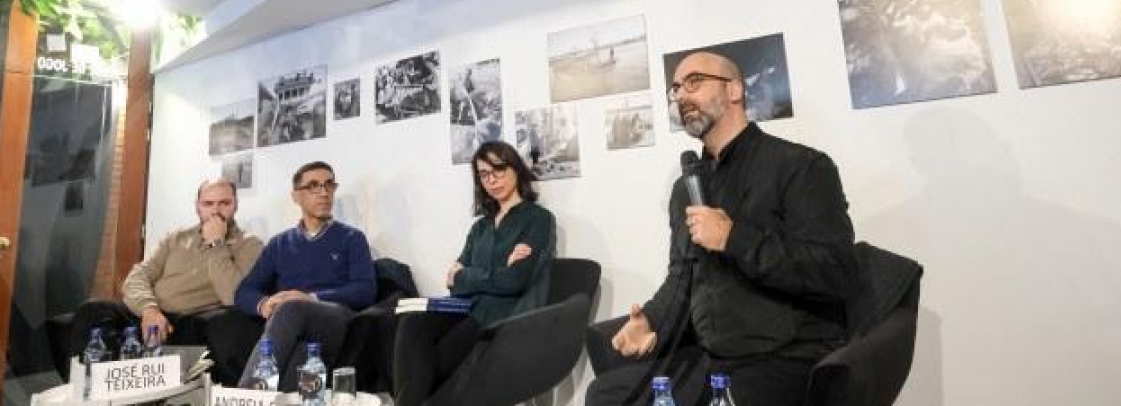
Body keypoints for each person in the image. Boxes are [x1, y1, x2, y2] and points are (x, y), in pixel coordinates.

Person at [587, 51, 858, 405]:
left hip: (787, 356)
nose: (681, 96)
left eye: (694, 82)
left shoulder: (801, 166)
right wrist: (650, 322)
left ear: (733, 90)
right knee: (606, 395)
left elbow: (836, 271)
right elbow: (683, 277)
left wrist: (734, 238)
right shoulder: (686, 189)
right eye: (675, 90)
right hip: (714, 358)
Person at [390, 140, 556, 406]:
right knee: (411, 322)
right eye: (484, 174)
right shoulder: (480, 227)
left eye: (498, 170)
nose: (492, 180)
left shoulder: (538, 219)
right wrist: (492, 272)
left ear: (515, 169)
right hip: (464, 307)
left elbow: (514, 281)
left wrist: (468, 275)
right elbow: (454, 283)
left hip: (497, 315)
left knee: (428, 365)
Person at [69, 178, 264, 384]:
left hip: (192, 321)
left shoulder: (250, 244)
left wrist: (216, 243)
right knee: (93, 309)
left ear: (236, 205)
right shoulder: (176, 238)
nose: (216, 211)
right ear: (197, 207)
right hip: (152, 315)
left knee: (228, 324)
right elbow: (138, 276)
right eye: (208, 204)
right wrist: (149, 310)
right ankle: (100, 388)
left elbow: (234, 296)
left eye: (224, 203)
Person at [233, 161, 377, 390]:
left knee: (291, 306)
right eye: (313, 186)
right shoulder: (279, 244)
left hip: (336, 319)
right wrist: (265, 304)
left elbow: (365, 290)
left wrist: (311, 297)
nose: (324, 192)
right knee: (300, 355)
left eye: (329, 185)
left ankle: (246, 397)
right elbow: (244, 291)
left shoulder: (352, 238)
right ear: (296, 196)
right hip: (293, 328)